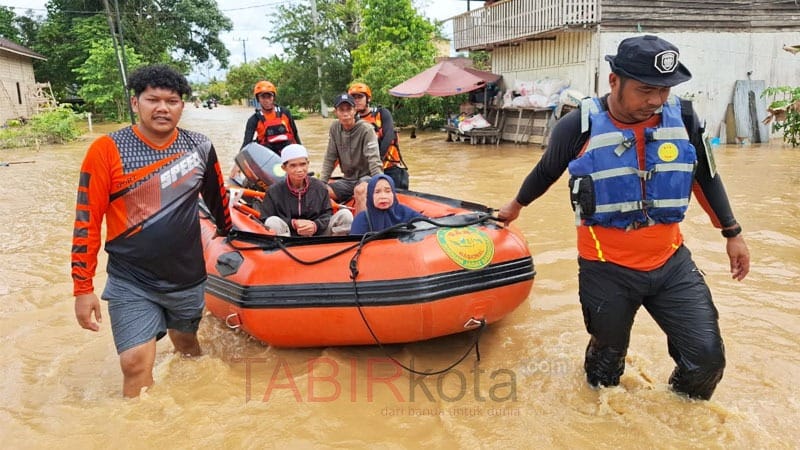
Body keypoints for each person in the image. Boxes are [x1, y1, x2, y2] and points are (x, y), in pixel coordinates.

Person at [498, 35, 750, 400]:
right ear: (614, 81)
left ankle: (677, 420)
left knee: (707, 361)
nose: (656, 101)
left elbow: (705, 176)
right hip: (606, 268)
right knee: (605, 371)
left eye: (664, 90)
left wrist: (732, 233)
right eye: (645, 90)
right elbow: (545, 173)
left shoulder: (686, 118)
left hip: (671, 264)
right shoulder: (578, 127)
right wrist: (514, 207)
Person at [71, 64, 232, 398]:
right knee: (134, 364)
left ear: (182, 106)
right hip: (131, 280)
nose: (162, 107)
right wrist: (82, 288)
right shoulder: (106, 150)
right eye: (152, 99)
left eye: (171, 100)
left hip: (187, 277)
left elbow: (219, 202)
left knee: (188, 348)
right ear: (135, 103)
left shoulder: (200, 147)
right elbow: (87, 221)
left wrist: (236, 241)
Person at [257, 144, 352, 236]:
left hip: (318, 235)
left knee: (345, 215)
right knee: (272, 221)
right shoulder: (273, 191)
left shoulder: (320, 187)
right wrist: (293, 223)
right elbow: (265, 219)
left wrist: (315, 226)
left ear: (308, 164)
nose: (299, 170)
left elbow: (327, 215)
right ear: (284, 168)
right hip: (288, 238)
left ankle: (337, 248)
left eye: (303, 164)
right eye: (293, 166)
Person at [319, 93, 383, 214]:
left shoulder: (366, 129)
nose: (345, 113)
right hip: (348, 179)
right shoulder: (334, 128)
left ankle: (360, 229)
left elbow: (374, 159)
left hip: (366, 177)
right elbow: (330, 157)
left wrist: (379, 182)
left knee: (360, 190)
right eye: (341, 110)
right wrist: (321, 183)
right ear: (336, 112)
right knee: (320, 191)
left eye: (349, 109)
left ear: (354, 110)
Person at [348, 82, 409, 189]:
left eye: (360, 97)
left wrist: (377, 160)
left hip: (390, 168)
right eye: (353, 97)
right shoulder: (352, 121)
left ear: (368, 99)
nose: (357, 100)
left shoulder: (382, 113)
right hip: (367, 171)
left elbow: (388, 136)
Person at [241, 80, 301, 155]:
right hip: (267, 156)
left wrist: (301, 152)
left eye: (269, 96)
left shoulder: (285, 113)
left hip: (286, 154)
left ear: (273, 97)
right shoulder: (254, 120)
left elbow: (294, 134)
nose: (267, 100)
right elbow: (247, 143)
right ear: (258, 99)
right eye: (263, 97)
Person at [350, 174, 422, 235]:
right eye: (377, 192)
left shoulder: (405, 212)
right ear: (370, 195)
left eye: (387, 191)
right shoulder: (362, 219)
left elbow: (425, 225)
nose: (383, 196)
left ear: (393, 193)